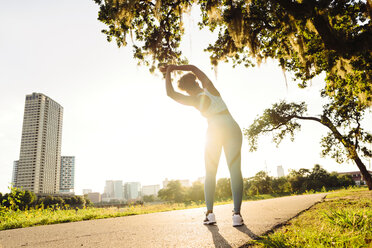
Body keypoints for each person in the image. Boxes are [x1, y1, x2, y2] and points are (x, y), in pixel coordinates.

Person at [160, 64, 244, 227]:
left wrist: (168, 72)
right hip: (231, 127)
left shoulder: (192, 99)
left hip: (214, 130)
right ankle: (237, 215)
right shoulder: (210, 88)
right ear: (197, 82)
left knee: (210, 173)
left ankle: (210, 214)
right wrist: (176, 66)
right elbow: (193, 68)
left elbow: (170, 93)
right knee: (235, 170)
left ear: (186, 90)